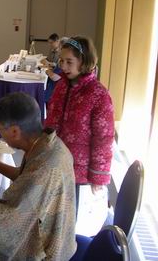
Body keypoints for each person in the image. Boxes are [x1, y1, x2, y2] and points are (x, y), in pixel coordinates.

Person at [0, 92, 76, 260]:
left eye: (0, 129)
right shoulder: (47, 143)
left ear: (15, 131)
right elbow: (25, 178)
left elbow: (2, 221)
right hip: (60, 236)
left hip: (46, 252)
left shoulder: (43, 167)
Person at [44, 36, 115, 215]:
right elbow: (50, 121)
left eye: (69, 62)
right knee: (52, 215)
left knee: (71, 220)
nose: (64, 66)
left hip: (78, 172)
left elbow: (104, 139)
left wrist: (98, 177)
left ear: (84, 62)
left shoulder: (98, 94)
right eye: (61, 61)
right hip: (56, 163)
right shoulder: (61, 86)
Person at [42, 33, 62, 103]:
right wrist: (45, 60)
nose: (50, 45)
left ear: (57, 41)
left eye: (51, 43)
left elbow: (55, 66)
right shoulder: (52, 50)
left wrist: (48, 68)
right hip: (52, 71)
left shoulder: (60, 53)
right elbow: (49, 59)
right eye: (49, 43)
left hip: (54, 75)